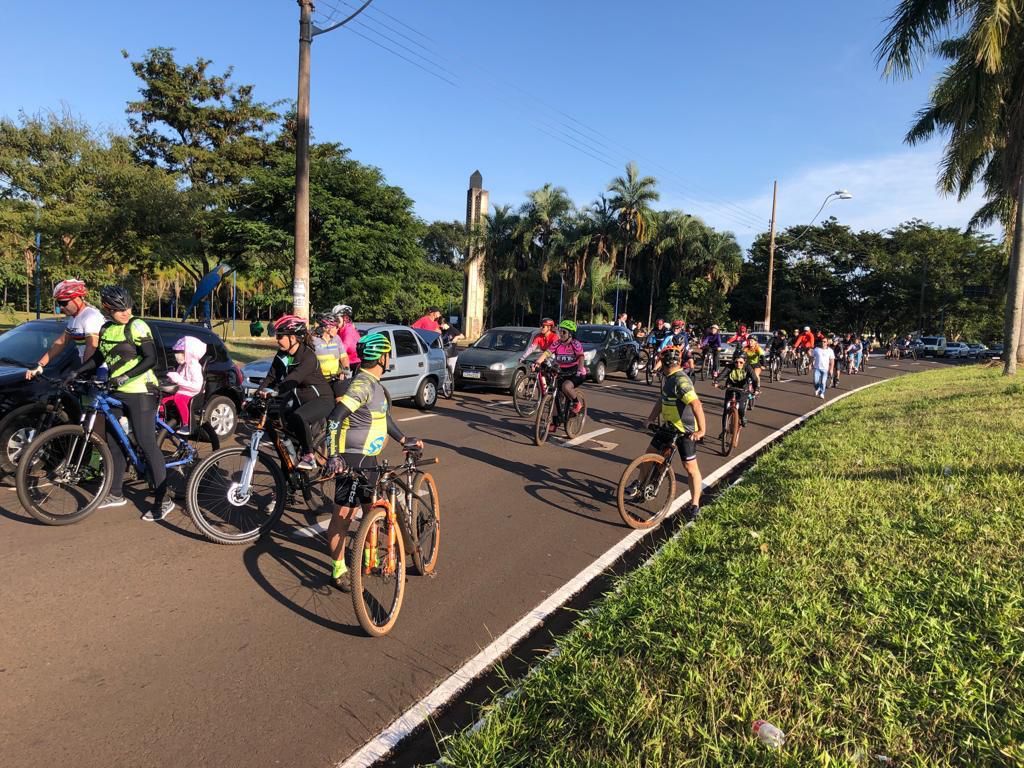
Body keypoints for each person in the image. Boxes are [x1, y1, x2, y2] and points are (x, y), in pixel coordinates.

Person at [322, 332, 422, 592]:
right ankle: (338, 569)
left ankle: (368, 559)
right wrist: (334, 456)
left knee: (370, 511)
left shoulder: (377, 386)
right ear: (382, 357)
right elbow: (334, 419)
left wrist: (403, 439)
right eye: (388, 355)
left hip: (370, 459)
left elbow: (384, 417)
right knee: (343, 516)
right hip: (353, 458)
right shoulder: (362, 385)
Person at [72, 286, 171, 521]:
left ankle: (163, 499)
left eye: (127, 307)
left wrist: (125, 376)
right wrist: (76, 372)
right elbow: (99, 358)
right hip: (115, 392)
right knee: (114, 443)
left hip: (140, 391)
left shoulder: (136, 326)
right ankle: (116, 493)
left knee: (147, 444)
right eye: (118, 310)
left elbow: (150, 358)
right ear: (107, 309)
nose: (125, 312)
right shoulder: (106, 328)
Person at [631, 345, 706, 522]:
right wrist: (650, 419)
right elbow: (662, 400)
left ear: (664, 363)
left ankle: (695, 504)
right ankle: (641, 485)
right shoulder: (669, 378)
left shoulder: (681, 380)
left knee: (690, 468)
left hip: (685, 430)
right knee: (649, 456)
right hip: (669, 426)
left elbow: (696, 405)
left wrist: (701, 430)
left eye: (659, 361)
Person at [258, 315, 334, 471]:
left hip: (322, 399)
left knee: (299, 417)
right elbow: (271, 377)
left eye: (280, 336)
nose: (277, 340)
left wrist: (276, 391)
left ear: (293, 337)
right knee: (286, 450)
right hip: (299, 400)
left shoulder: (308, 356)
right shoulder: (282, 355)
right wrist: (257, 394)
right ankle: (287, 490)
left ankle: (309, 455)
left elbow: (294, 378)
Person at [26, 279, 104, 379]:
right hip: (87, 368)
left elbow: (92, 346)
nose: (61, 307)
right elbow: (61, 342)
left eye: (63, 303)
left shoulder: (90, 317)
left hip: (100, 370)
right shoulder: (74, 318)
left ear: (76, 299)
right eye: (59, 303)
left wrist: (84, 373)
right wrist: (40, 365)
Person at [533, 320, 587, 427]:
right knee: (554, 393)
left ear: (570, 334)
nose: (561, 334)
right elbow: (547, 353)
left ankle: (577, 403)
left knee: (566, 386)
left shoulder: (575, 344)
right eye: (560, 331)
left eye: (564, 332)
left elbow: (581, 357)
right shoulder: (557, 343)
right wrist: (538, 362)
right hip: (562, 371)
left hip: (575, 372)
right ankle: (554, 421)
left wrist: (580, 369)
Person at [163, 336, 207, 435]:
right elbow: (178, 378)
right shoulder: (183, 365)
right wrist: (170, 379)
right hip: (182, 390)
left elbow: (196, 386)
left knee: (179, 398)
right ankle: (161, 423)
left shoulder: (194, 366)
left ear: (189, 353)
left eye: (181, 353)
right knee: (162, 400)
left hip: (192, 394)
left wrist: (178, 380)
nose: (177, 355)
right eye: (176, 352)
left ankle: (186, 424)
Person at [714, 353, 757, 434]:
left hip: (743, 389)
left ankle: (742, 417)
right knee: (726, 410)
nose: (738, 364)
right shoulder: (729, 367)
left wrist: (756, 389)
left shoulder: (748, 368)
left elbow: (754, 379)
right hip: (730, 388)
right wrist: (716, 381)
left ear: (745, 361)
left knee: (740, 407)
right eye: (736, 362)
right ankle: (724, 430)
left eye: (741, 362)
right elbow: (722, 375)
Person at [312, 314, 348, 386]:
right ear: (328, 327)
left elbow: (344, 357)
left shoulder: (337, 338)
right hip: (319, 379)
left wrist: (345, 371)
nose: (338, 329)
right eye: (336, 327)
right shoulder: (314, 339)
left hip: (336, 378)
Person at [332, 304, 361, 375]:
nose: (334, 322)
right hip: (346, 362)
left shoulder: (348, 330)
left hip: (355, 364)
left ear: (345, 318)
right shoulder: (340, 329)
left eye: (337, 319)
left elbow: (343, 348)